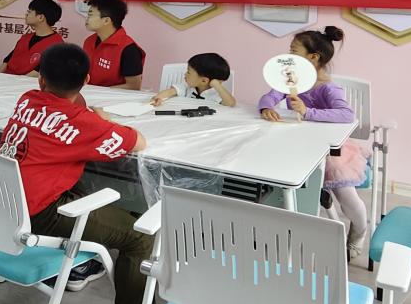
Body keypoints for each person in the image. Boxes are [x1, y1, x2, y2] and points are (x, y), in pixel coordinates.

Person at [0, 43, 187, 304]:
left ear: (40, 79)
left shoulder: (27, 99)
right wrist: (100, 120)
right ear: (86, 79)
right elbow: (138, 141)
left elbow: (68, 112)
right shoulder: (84, 123)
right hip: (36, 213)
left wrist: (89, 117)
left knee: (84, 190)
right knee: (141, 238)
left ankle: (85, 263)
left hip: (3, 202)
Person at [257, 26, 370, 259]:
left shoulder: (328, 87)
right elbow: (270, 96)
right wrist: (267, 107)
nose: (288, 55)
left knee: (347, 198)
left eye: (293, 51)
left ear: (313, 57)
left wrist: (308, 112)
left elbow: (347, 115)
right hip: (300, 145)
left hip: (331, 150)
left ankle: (359, 232)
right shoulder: (290, 80)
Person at [81, 0, 145, 89]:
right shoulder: (89, 41)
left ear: (106, 21)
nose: (87, 19)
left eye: (90, 15)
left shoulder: (128, 49)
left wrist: (100, 92)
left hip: (112, 97)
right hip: (88, 94)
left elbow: (134, 86)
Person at [0, 0, 63, 76]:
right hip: (6, 79)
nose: (26, 14)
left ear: (40, 17)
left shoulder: (57, 46)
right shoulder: (25, 38)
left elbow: (39, 72)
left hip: (25, 82)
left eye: (29, 12)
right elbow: (7, 60)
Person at [149, 52, 235, 107]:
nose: (185, 74)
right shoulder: (187, 86)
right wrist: (157, 97)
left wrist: (216, 85)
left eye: (188, 72)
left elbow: (231, 103)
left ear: (204, 81)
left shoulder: (217, 94)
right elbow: (170, 92)